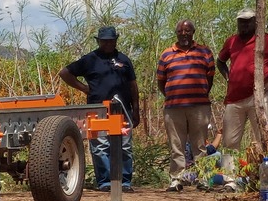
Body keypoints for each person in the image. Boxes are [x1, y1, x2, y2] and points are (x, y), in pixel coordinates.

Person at [216, 7, 268, 167]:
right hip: (233, 98)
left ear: (256, 22)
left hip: (259, 97)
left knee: (263, 138)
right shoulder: (231, 41)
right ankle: (230, 179)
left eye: (248, 22)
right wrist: (228, 77)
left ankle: (265, 175)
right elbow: (220, 61)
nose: (244, 25)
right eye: (241, 22)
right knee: (229, 141)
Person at [60, 25, 140, 191]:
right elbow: (64, 73)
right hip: (97, 110)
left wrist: (136, 108)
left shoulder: (124, 60)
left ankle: (124, 182)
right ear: (99, 41)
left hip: (123, 109)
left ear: (116, 40)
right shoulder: (90, 59)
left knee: (125, 146)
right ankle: (105, 182)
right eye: (104, 41)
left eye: (111, 41)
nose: (108, 44)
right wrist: (83, 88)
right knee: (100, 146)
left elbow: (133, 85)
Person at [154, 19, 216, 188]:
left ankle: (202, 179)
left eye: (187, 31)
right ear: (176, 33)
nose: (184, 34)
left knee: (200, 145)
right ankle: (177, 179)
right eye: (180, 31)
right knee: (177, 145)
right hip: (174, 107)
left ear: (193, 32)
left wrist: (199, 92)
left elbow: (209, 77)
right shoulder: (166, 54)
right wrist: (173, 94)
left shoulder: (204, 52)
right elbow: (161, 81)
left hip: (199, 106)